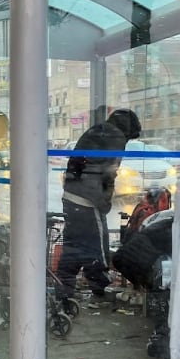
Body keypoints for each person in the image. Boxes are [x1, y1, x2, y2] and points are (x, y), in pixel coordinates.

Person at [56, 108, 142, 304]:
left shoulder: (97, 130)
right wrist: (104, 201)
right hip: (87, 199)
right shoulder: (116, 137)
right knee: (97, 247)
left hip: (71, 195)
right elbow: (108, 173)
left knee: (73, 245)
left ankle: (64, 288)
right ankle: (100, 285)